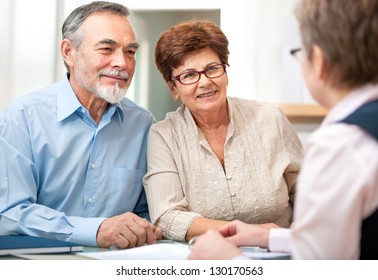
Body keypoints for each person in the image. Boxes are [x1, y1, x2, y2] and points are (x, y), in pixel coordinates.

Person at [188, 0, 378, 260]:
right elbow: (338, 238)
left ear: (319, 61)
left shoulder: (340, 145)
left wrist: (229, 262)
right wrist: (269, 236)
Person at [0, 1, 162, 249]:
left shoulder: (143, 124)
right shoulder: (23, 117)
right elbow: (10, 213)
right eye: (107, 49)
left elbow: (146, 212)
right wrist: (95, 230)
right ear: (68, 52)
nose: (122, 63)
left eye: (130, 52)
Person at [143, 19, 303, 242]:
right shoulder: (163, 136)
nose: (205, 82)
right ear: (173, 88)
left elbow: (306, 191)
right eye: (189, 75)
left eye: (212, 69)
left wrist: (305, 225)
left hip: (280, 253)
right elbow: (167, 217)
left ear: (225, 72)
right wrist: (245, 232)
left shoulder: (270, 119)